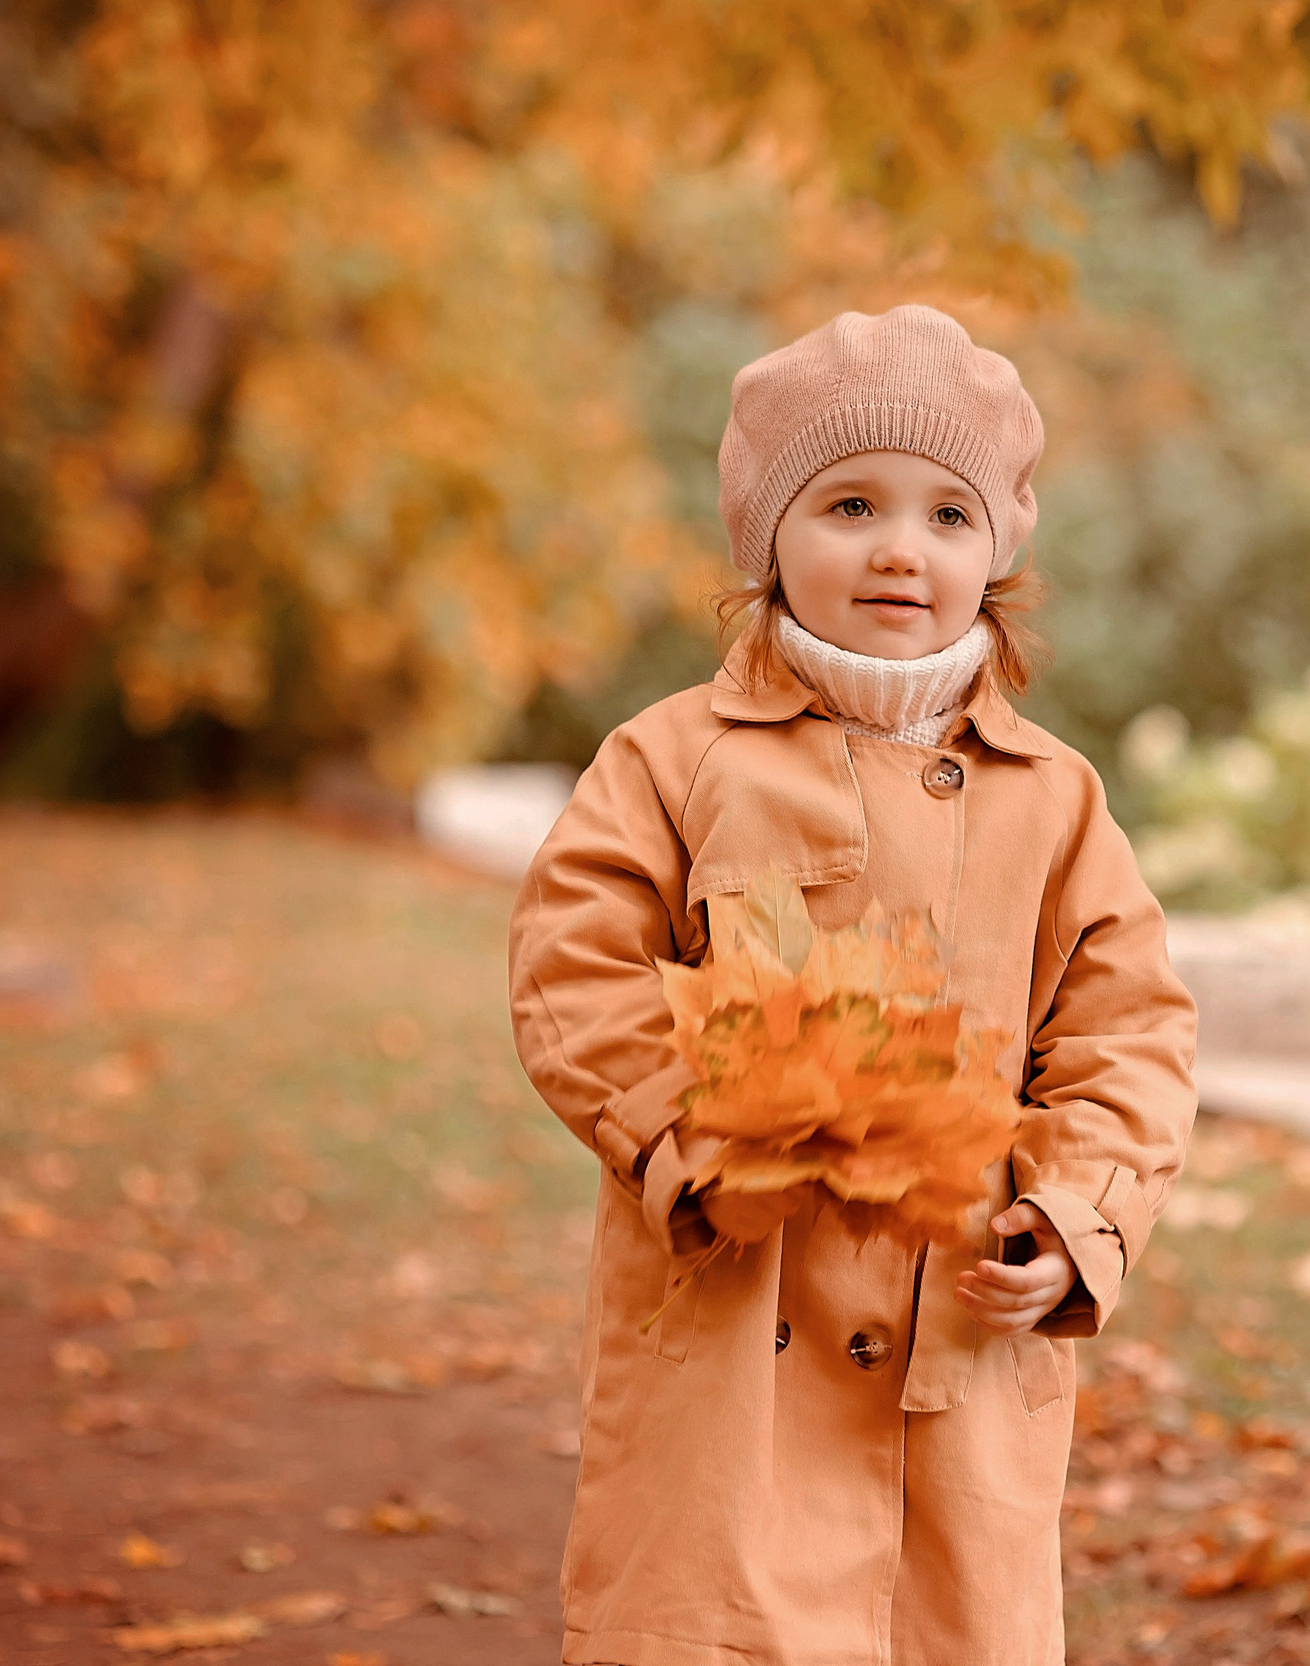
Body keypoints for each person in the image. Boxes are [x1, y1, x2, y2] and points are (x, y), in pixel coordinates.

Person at [509, 303, 1199, 1666]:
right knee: (722, 1628)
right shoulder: (676, 761)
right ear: (769, 535)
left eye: (949, 515)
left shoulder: (1055, 801)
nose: (900, 547)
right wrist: (696, 1143)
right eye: (849, 503)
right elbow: (573, 967)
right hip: (733, 1325)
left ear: (999, 548)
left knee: (941, 1633)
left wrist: (1072, 1220)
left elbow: (1126, 1035)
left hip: (957, 1330)